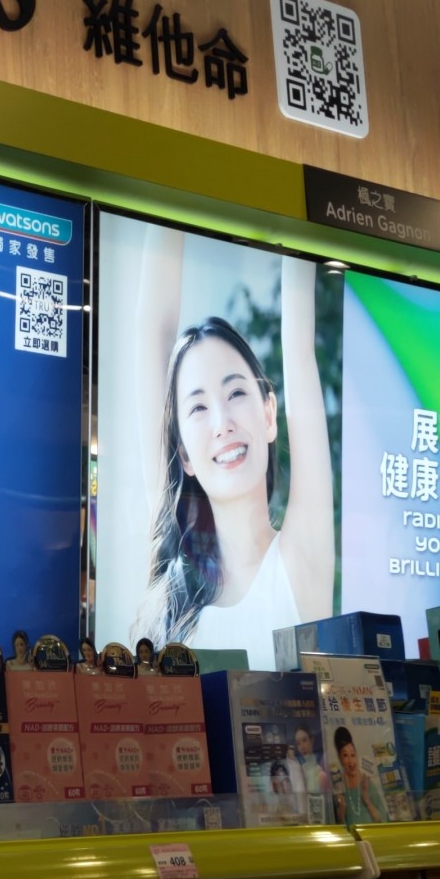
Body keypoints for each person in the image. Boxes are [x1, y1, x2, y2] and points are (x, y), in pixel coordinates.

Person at [134, 236, 333, 653]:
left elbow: (300, 348)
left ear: (269, 415)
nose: (222, 423)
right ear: (184, 454)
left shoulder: (300, 561)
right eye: (198, 407)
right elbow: (152, 331)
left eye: (237, 393)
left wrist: (297, 213)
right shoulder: (176, 587)